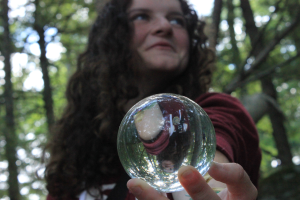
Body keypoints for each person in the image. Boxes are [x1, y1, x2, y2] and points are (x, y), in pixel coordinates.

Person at [43, 0, 261, 199]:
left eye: (176, 20)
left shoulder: (217, 110)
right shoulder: (75, 153)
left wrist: (210, 190)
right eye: (141, 16)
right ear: (112, 36)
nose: (164, 27)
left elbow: (214, 156)